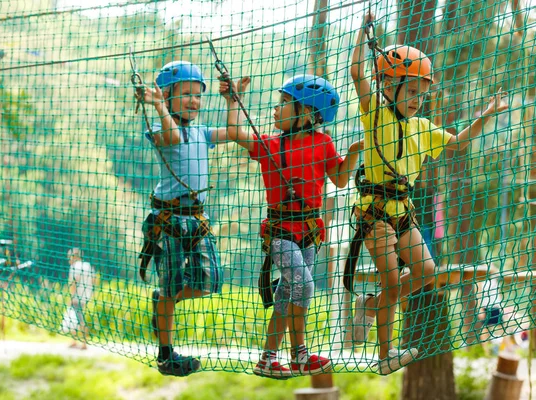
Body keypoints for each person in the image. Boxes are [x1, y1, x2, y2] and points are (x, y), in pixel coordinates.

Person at [346, 13, 509, 374]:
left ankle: (372, 306)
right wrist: (363, 30)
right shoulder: (375, 113)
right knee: (392, 281)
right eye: (412, 91)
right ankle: (386, 353)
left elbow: (457, 145)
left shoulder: (423, 127)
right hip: (374, 211)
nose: (419, 99)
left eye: (423, 92)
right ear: (388, 85)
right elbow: (358, 74)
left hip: (403, 211)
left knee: (425, 272)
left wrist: (486, 114)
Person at [221, 73, 362, 379]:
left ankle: (268, 359)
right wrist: (234, 99)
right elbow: (234, 131)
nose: (275, 108)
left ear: (307, 113)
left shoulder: (323, 142)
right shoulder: (269, 144)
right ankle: (299, 355)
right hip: (281, 231)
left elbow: (339, 178)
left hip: (309, 231)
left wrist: (352, 155)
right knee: (304, 284)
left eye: (284, 103)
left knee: (288, 294)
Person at [136, 61, 244, 376]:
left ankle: (163, 301)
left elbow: (236, 132)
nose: (194, 101)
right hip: (168, 219)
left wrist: (232, 100)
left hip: (197, 218)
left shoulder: (202, 132)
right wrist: (157, 107)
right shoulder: (158, 128)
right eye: (186, 94)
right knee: (171, 285)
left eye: (198, 95)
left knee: (210, 281)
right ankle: (166, 354)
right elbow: (171, 138)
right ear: (168, 96)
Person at [67, 248, 96, 350]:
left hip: (77, 296)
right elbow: (94, 279)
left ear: (74, 256)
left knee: (78, 319)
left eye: (69, 257)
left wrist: (71, 296)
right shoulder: (88, 265)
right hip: (86, 295)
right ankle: (74, 341)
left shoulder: (74, 267)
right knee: (76, 317)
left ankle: (83, 343)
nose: (68, 259)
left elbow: (73, 283)